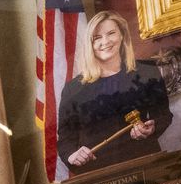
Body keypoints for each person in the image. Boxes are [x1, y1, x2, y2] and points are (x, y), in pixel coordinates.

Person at [56, 9, 171, 175]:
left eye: (111, 33)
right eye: (97, 37)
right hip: (97, 172)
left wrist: (152, 128)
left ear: (122, 35)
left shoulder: (147, 72)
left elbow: (163, 115)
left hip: (144, 163)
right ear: (90, 44)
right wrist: (72, 156)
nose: (105, 41)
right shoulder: (73, 89)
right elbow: (66, 139)